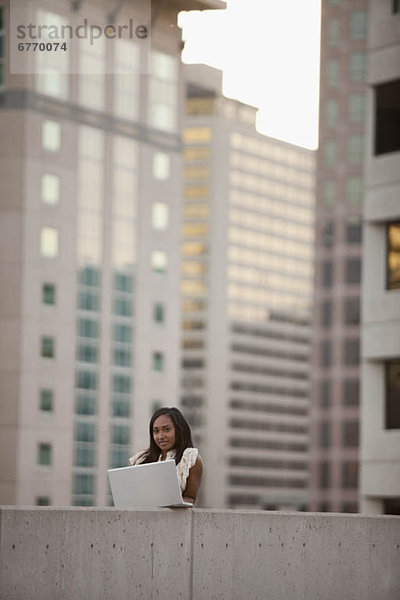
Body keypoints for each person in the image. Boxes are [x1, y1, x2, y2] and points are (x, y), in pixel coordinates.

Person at [129, 407, 203, 505]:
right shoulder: (141, 459)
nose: (160, 436)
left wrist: (165, 504)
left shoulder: (191, 459)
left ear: (179, 430)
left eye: (166, 430)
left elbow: (190, 498)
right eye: (156, 431)